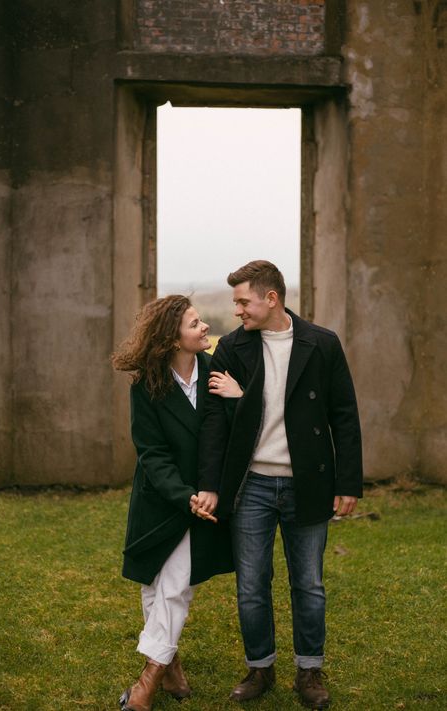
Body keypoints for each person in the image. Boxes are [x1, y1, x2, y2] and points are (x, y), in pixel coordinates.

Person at [196, 260, 363, 709]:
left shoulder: (321, 344)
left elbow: (343, 415)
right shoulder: (230, 348)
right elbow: (215, 421)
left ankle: (309, 671)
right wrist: (210, 484)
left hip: (308, 482)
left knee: (308, 583)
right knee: (252, 584)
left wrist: (348, 482)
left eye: (243, 301)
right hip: (250, 484)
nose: (237, 311)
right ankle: (260, 667)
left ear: (271, 298)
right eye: (235, 303)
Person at [112, 294, 239, 711]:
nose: (204, 328)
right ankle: (170, 664)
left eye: (202, 321)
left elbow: (225, 437)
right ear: (171, 339)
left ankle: (147, 680)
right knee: (154, 583)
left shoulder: (218, 371)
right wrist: (183, 495)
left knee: (176, 585)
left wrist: (208, 489)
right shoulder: (146, 386)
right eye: (195, 323)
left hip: (207, 497)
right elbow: (152, 453)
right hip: (161, 499)